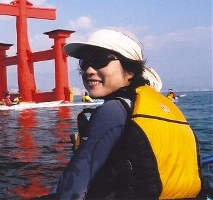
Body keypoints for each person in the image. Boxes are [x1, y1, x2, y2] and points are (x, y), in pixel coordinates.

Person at [53, 28, 207, 199]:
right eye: (84, 62)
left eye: (99, 60)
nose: (88, 70)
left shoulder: (113, 110)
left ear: (130, 70)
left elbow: (74, 185)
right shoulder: (169, 108)